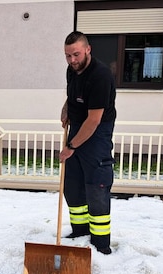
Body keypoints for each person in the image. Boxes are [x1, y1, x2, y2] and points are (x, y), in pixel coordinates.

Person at [59, 31, 116, 255]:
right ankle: (79, 232)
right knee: (73, 186)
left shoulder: (100, 75)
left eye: (76, 54)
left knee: (96, 188)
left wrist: (70, 148)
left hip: (96, 135)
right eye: (67, 56)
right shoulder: (72, 71)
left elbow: (93, 121)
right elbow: (72, 94)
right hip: (77, 129)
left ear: (88, 50)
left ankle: (101, 245)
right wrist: (66, 108)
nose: (72, 60)